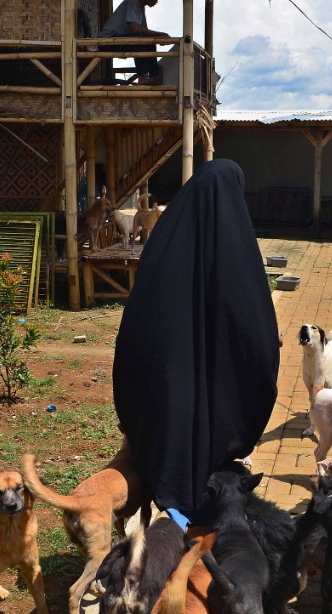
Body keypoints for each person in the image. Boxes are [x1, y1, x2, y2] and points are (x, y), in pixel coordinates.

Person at [113, 160, 280, 521]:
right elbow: (254, 323)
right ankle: (209, 516)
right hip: (218, 389)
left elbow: (138, 321)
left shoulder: (166, 239)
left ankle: (173, 508)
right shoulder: (237, 243)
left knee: (174, 417)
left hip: (167, 375)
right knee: (212, 417)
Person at [99, 0, 169, 84]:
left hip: (120, 40)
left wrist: (158, 39)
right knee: (139, 41)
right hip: (107, 41)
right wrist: (160, 34)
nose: (156, 2)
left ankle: (154, 77)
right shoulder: (133, 2)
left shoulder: (141, 9)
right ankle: (142, 78)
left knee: (149, 43)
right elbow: (136, 29)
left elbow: (144, 33)